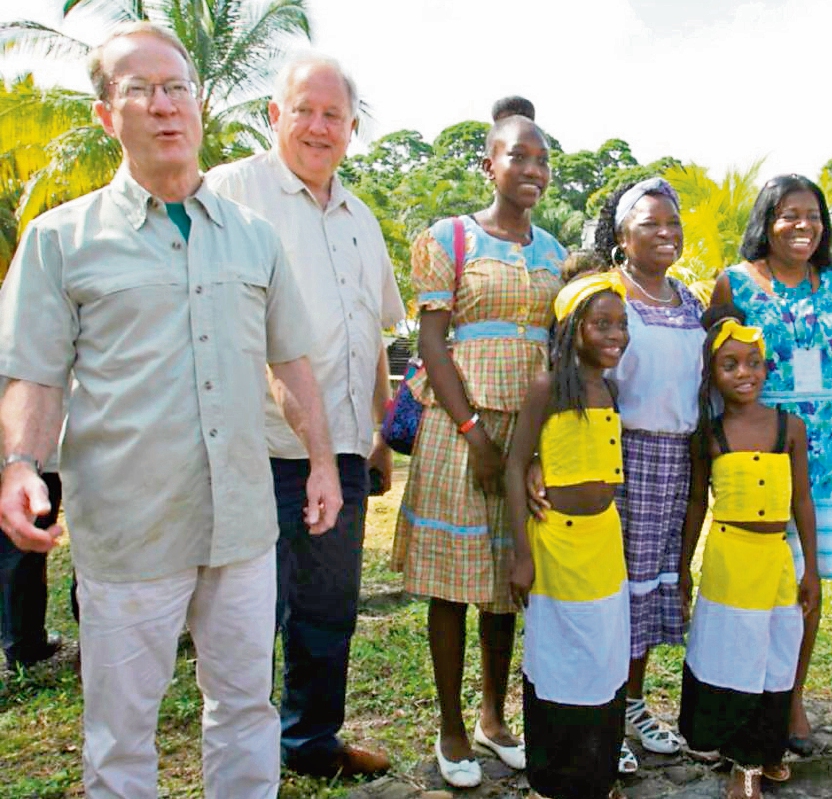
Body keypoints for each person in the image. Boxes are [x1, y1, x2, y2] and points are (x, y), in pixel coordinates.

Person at [0, 22, 341, 799]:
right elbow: (33, 374)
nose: (163, 106)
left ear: (200, 102)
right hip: (130, 528)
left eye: (176, 88)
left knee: (245, 708)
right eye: (139, 90)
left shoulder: (253, 239)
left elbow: (289, 361)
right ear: (105, 114)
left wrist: (320, 460)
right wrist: (21, 463)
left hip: (244, 526)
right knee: (122, 734)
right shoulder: (61, 240)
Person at [206, 53, 403, 778]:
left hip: (346, 450)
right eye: (304, 110)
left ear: (352, 127)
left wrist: (381, 432)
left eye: (334, 115)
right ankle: (244, 760)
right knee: (248, 612)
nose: (319, 127)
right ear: (273, 115)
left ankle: (311, 743)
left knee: (327, 608)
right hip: (256, 446)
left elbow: (373, 332)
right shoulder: (230, 193)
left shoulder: (359, 216)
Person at [390, 114, 565, 788]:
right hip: (459, 430)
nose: (532, 169)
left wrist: (528, 445)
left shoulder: (553, 250)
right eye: (517, 156)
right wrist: (474, 433)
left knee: (504, 584)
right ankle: (452, 727)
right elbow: (431, 342)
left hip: (527, 431)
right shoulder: (448, 239)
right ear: (489, 165)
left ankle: (494, 718)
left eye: (542, 159)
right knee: (452, 587)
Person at [709, 174, 832, 756]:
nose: (802, 226)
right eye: (788, 215)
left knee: (809, 577)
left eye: (813, 215)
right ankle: (749, 696)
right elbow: (714, 366)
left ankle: (792, 695)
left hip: (827, 444)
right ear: (766, 221)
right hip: (762, 441)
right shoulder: (733, 282)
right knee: (762, 573)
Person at [678, 308, 818, 799]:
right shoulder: (711, 434)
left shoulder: (790, 428)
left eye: (753, 362)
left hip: (775, 560)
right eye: (730, 365)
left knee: (774, 656)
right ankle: (742, 760)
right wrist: (683, 570)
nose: (745, 373)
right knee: (731, 657)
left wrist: (812, 572)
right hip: (728, 562)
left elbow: (802, 501)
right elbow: (697, 504)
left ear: (767, 367)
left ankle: (764, 750)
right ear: (713, 376)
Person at [590, 177, 705, 771]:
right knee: (614, 592)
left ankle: (633, 702)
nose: (665, 234)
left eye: (672, 225)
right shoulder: (606, 299)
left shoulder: (691, 303)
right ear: (621, 234)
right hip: (621, 460)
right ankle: (603, 716)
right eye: (650, 224)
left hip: (676, 461)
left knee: (657, 586)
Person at [506, 271, 631, 799]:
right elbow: (515, 466)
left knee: (604, 658)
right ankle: (554, 779)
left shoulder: (610, 387)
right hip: (557, 545)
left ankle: (596, 775)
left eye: (622, 324)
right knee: (558, 662)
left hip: (606, 543)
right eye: (601, 323)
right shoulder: (549, 386)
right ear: (573, 326)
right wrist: (521, 555)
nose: (615, 334)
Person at [0, 380, 66, 674]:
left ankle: (25, 642)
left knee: (25, 547)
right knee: (23, 546)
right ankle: (24, 646)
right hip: (26, 455)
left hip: (34, 452)